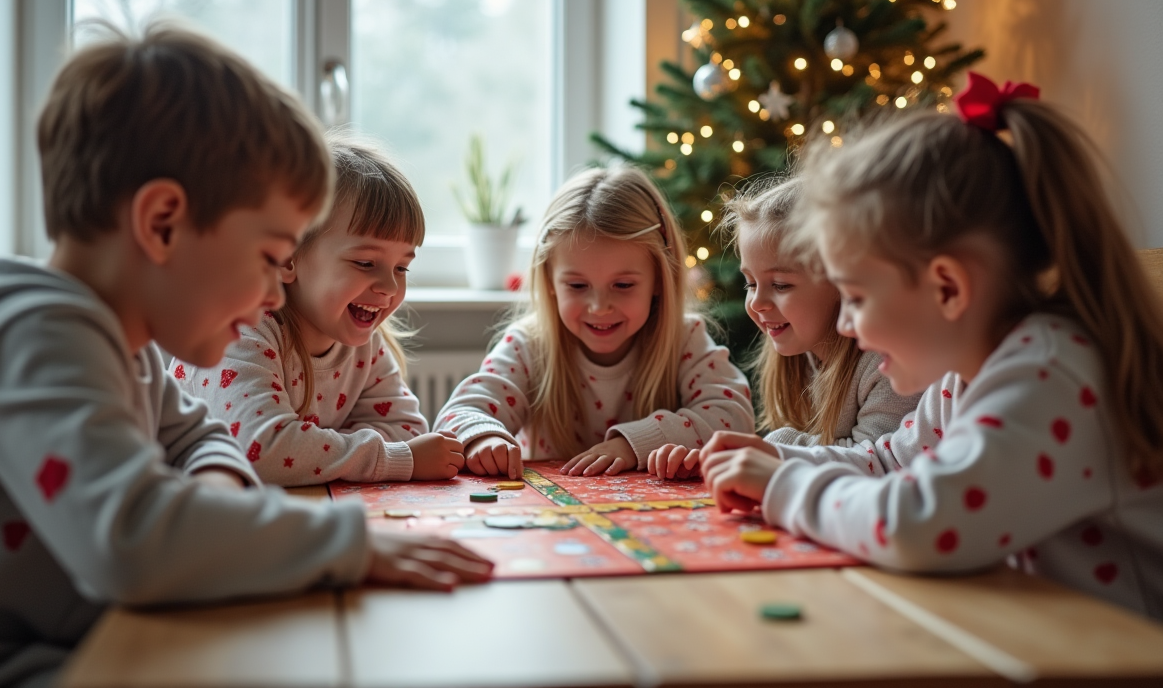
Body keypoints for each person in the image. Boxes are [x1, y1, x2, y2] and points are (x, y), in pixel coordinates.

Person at [0, 24, 490, 687]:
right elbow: (136, 540)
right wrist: (348, 545)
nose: (277, 289)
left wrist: (210, 490)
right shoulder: (35, 339)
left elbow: (202, 436)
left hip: (103, 641)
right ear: (162, 223)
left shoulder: (131, 348)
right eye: (272, 257)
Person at [702, 73, 1163, 619]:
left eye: (855, 296)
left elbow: (917, 524)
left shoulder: (1049, 373)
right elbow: (890, 462)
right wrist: (777, 455)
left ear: (947, 288)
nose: (846, 325)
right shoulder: (968, 374)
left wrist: (785, 484)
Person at [174, 133, 463, 485]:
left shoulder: (365, 341)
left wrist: (312, 449)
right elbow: (259, 450)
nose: (389, 287)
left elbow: (406, 427)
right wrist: (391, 458)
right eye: (365, 262)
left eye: (402, 268)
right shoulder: (240, 330)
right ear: (287, 258)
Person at [434, 166, 754, 478]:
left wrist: (632, 445)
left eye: (623, 285)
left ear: (660, 278)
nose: (600, 308)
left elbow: (734, 418)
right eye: (577, 286)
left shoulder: (684, 340)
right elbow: (456, 416)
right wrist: (483, 438)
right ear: (548, 281)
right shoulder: (528, 346)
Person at [648, 177, 918, 480]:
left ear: (842, 282)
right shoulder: (801, 351)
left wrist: (766, 449)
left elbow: (876, 464)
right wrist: (715, 463)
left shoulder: (887, 364)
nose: (757, 302)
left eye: (780, 285)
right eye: (750, 283)